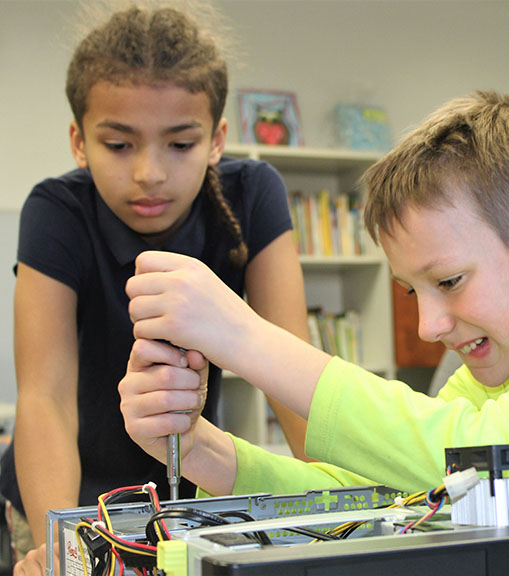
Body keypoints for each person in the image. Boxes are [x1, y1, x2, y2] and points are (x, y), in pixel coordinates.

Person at [57, 91, 509, 572]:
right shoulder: (498, 377)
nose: (430, 325)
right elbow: (376, 499)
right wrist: (208, 452)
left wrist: (247, 338)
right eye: (412, 293)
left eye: (450, 282)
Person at [1, 2, 313, 567]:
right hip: (64, 492)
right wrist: (59, 542)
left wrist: (330, 508)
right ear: (79, 141)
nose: (149, 172)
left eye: (180, 144)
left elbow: (292, 368)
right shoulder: (55, 211)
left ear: (217, 139)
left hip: (185, 490)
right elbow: (45, 397)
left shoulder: (254, 194)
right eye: (119, 145)